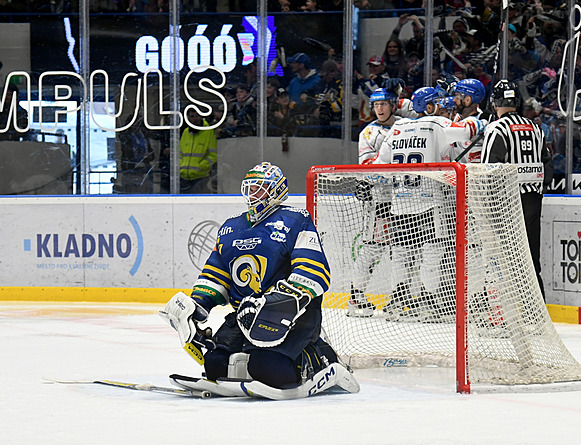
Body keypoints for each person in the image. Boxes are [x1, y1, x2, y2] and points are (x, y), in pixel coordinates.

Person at [160, 162, 358, 395]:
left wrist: (277, 301)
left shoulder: (295, 220)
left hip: (293, 316)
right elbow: (216, 274)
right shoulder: (230, 228)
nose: (253, 194)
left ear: (276, 191)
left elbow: (315, 270)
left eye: (260, 188)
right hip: (244, 316)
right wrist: (196, 306)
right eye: (250, 188)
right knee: (214, 365)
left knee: (267, 369)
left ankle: (322, 357)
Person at [372, 86, 484, 320]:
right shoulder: (437, 125)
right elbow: (467, 132)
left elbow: (379, 165)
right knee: (432, 254)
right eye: (440, 103)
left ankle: (398, 302)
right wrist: (485, 123)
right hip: (429, 203)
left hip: (400, 202)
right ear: (430, 106)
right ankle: (430, 303)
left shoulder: (398, 127)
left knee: (402, 254)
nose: (445, 107)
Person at [480, 79, 552, 300]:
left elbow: (487, 170)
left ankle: (502, 311)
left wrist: (486, 205)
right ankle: (535, 309)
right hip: (533, 198)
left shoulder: (496, 128)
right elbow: (547, 164)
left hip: (505, 201)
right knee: (530, 257)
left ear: (494, 103)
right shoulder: (535, 127)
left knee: (502, 257)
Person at [451, 78, 492, 162]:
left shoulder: (476, 124)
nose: (454, 100)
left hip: (469, 172)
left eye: (457, 96)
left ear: (467, 99)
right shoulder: (459, 117)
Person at [178, 108, 218, 194]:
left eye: (197, 116)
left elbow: (213, 155)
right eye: (192, 116)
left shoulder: (209, 132)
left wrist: (201, 166)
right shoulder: (186, 132)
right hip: (184, 177)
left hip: (201, 178)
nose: (194, 119)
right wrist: (181, 166)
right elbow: (180, 153)